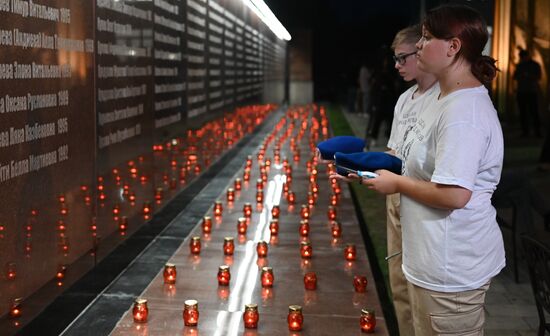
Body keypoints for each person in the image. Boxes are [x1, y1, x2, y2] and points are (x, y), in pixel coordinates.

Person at [336, 5, 505, 335]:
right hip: (429, 258)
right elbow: (410, 160)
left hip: (450, 268)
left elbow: (455, 194)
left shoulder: (463, 111)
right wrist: (366, 172)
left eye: (427, 38)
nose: (419, 47)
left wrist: (396, 184)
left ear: (453, 47)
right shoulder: (443, 99)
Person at [384, 25, 438, 336]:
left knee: (422, 293)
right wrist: (357, 165)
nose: (397, 65)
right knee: (398, 284)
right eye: (396, 58)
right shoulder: (405, 99)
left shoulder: (443, 99)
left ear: (421, 52)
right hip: (396, 198)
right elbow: (394, 150)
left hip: (423, 202)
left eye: (403, 57)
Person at [513, 49, 542, 137]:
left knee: (534, 112)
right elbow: (514, 76)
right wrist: (522, 75)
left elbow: (538, 76)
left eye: (523, 57)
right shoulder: (520, 65)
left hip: (531, 91)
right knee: (523, 113)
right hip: (522, 91)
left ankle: (537, 131)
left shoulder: (535, 65)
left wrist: (528, 76)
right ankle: (525, 132)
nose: (522, 58)